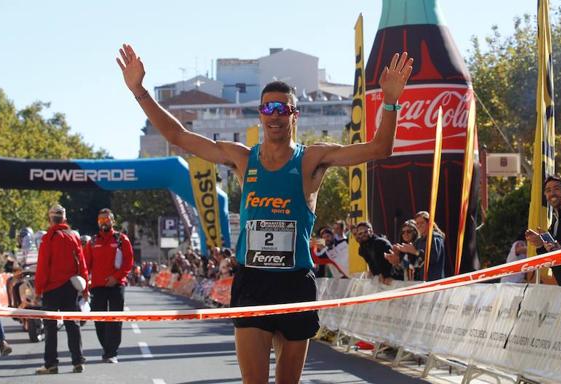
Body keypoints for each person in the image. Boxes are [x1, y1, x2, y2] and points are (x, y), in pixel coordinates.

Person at [117, 43, 412, 383]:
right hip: (253, 281)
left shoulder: (312, 160)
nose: (275, 114)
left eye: (282, 109)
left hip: (294, 283)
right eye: (268, 108)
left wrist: (390, 101)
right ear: (260, 113)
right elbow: (177, 136)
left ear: (293, 115)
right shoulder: (243, 159)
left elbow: (380, 148)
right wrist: (139, 90)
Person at [34, 204, 88, 374]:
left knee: (50, 328)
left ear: (50, 218)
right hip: (70, 288)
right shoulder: (73, 236)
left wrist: (38, 289)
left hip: (51, 289)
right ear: (65, 218)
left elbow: (43, 266)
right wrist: (85, 288)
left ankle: (51, 364)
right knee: (72, 324)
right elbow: (82, 264)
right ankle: (78, 361)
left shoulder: (49, 237)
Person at [85, 208, 134, 364]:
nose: (104, 222)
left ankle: (111, 352)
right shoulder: (92, 242)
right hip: (97, 287)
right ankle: (106, 348)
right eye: (101, 220)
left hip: (116, 285)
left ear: (113, 221)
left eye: (106, 219)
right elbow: (86, 265)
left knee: (115, 319)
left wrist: (116, 277)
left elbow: (128, 263)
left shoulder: (121, 239)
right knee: (99, 319)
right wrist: (85, 285)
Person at [525, 175, 561, 285]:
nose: (552, 193)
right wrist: (539, 244)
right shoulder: (555, 222)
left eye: (556, 189)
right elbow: (551, 258)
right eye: (548, 190)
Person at [396, 211, 446, 281]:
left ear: (429, 223)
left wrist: (416, 252)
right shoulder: (419, 241)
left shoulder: (435, 238)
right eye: (417, 224)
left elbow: (433, 258)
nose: (419, 225)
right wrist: (397, 259)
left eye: (422, 223)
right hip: (423, 280)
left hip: (434, 280)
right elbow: (413, 262)